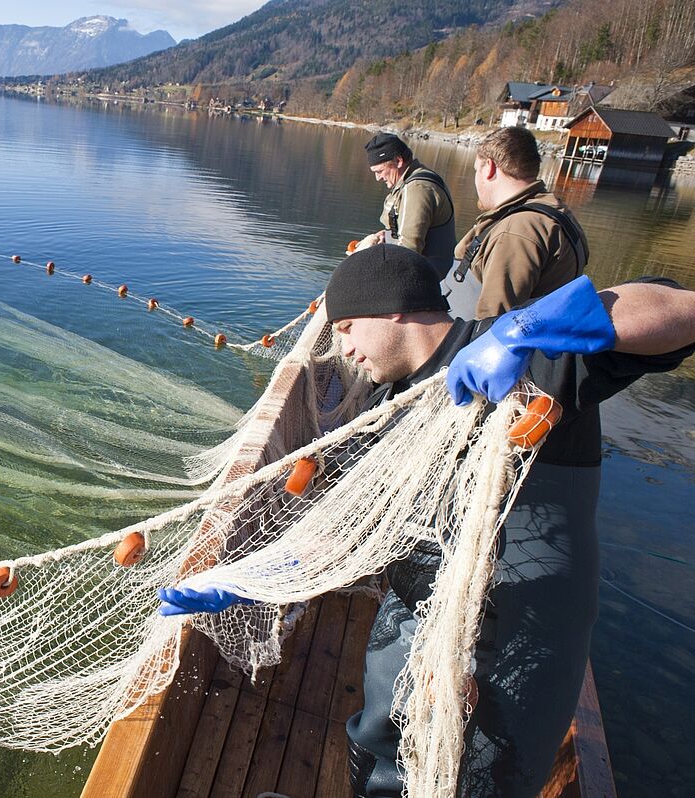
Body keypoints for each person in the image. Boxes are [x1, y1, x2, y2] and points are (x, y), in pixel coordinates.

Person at [159, 245, 695, 796]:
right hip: (414, 609)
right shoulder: (388, 407)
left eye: (347, 328)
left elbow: (677, 311)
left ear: (392, 308)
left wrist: (525, 329)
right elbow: (355, 526)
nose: (343, 349)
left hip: (518, 626)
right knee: (378, 741)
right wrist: (257, 578)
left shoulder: (526, 360)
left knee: (477, 775)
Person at [451, 126, 589, 320]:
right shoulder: (556, 211)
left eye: (476, 170)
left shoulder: (516, 231)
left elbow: (492, 323)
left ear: (489, 168)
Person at [352, 132, 456, 279]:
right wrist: (385, 235)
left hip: (419, 280)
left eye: (380, 171)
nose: (378, 178)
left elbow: (409, 248)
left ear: (398, 161)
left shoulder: (416, 189)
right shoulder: (414, 180)